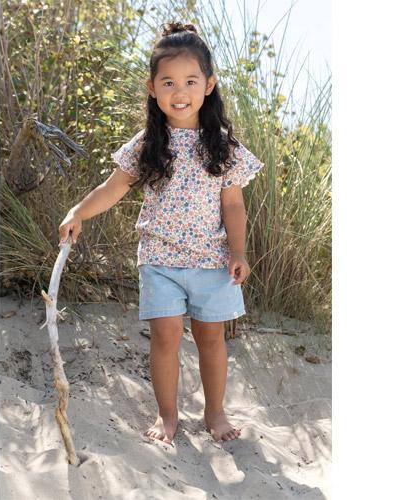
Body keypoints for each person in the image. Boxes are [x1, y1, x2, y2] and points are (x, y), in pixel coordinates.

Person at [59, 21, 264, 445]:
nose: (179, 91)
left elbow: (233, 204)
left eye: (190, 81)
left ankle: (215, 412)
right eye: (168, 82)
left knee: (211, 337)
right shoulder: (148, 143)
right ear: (152, 88)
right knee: (166, 335)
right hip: (160, 260)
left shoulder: (223, 147)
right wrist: (79, 212)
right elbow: (113, 188)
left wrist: (238, 251)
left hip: (212, 260)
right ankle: (167, 415)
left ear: (209, 85)